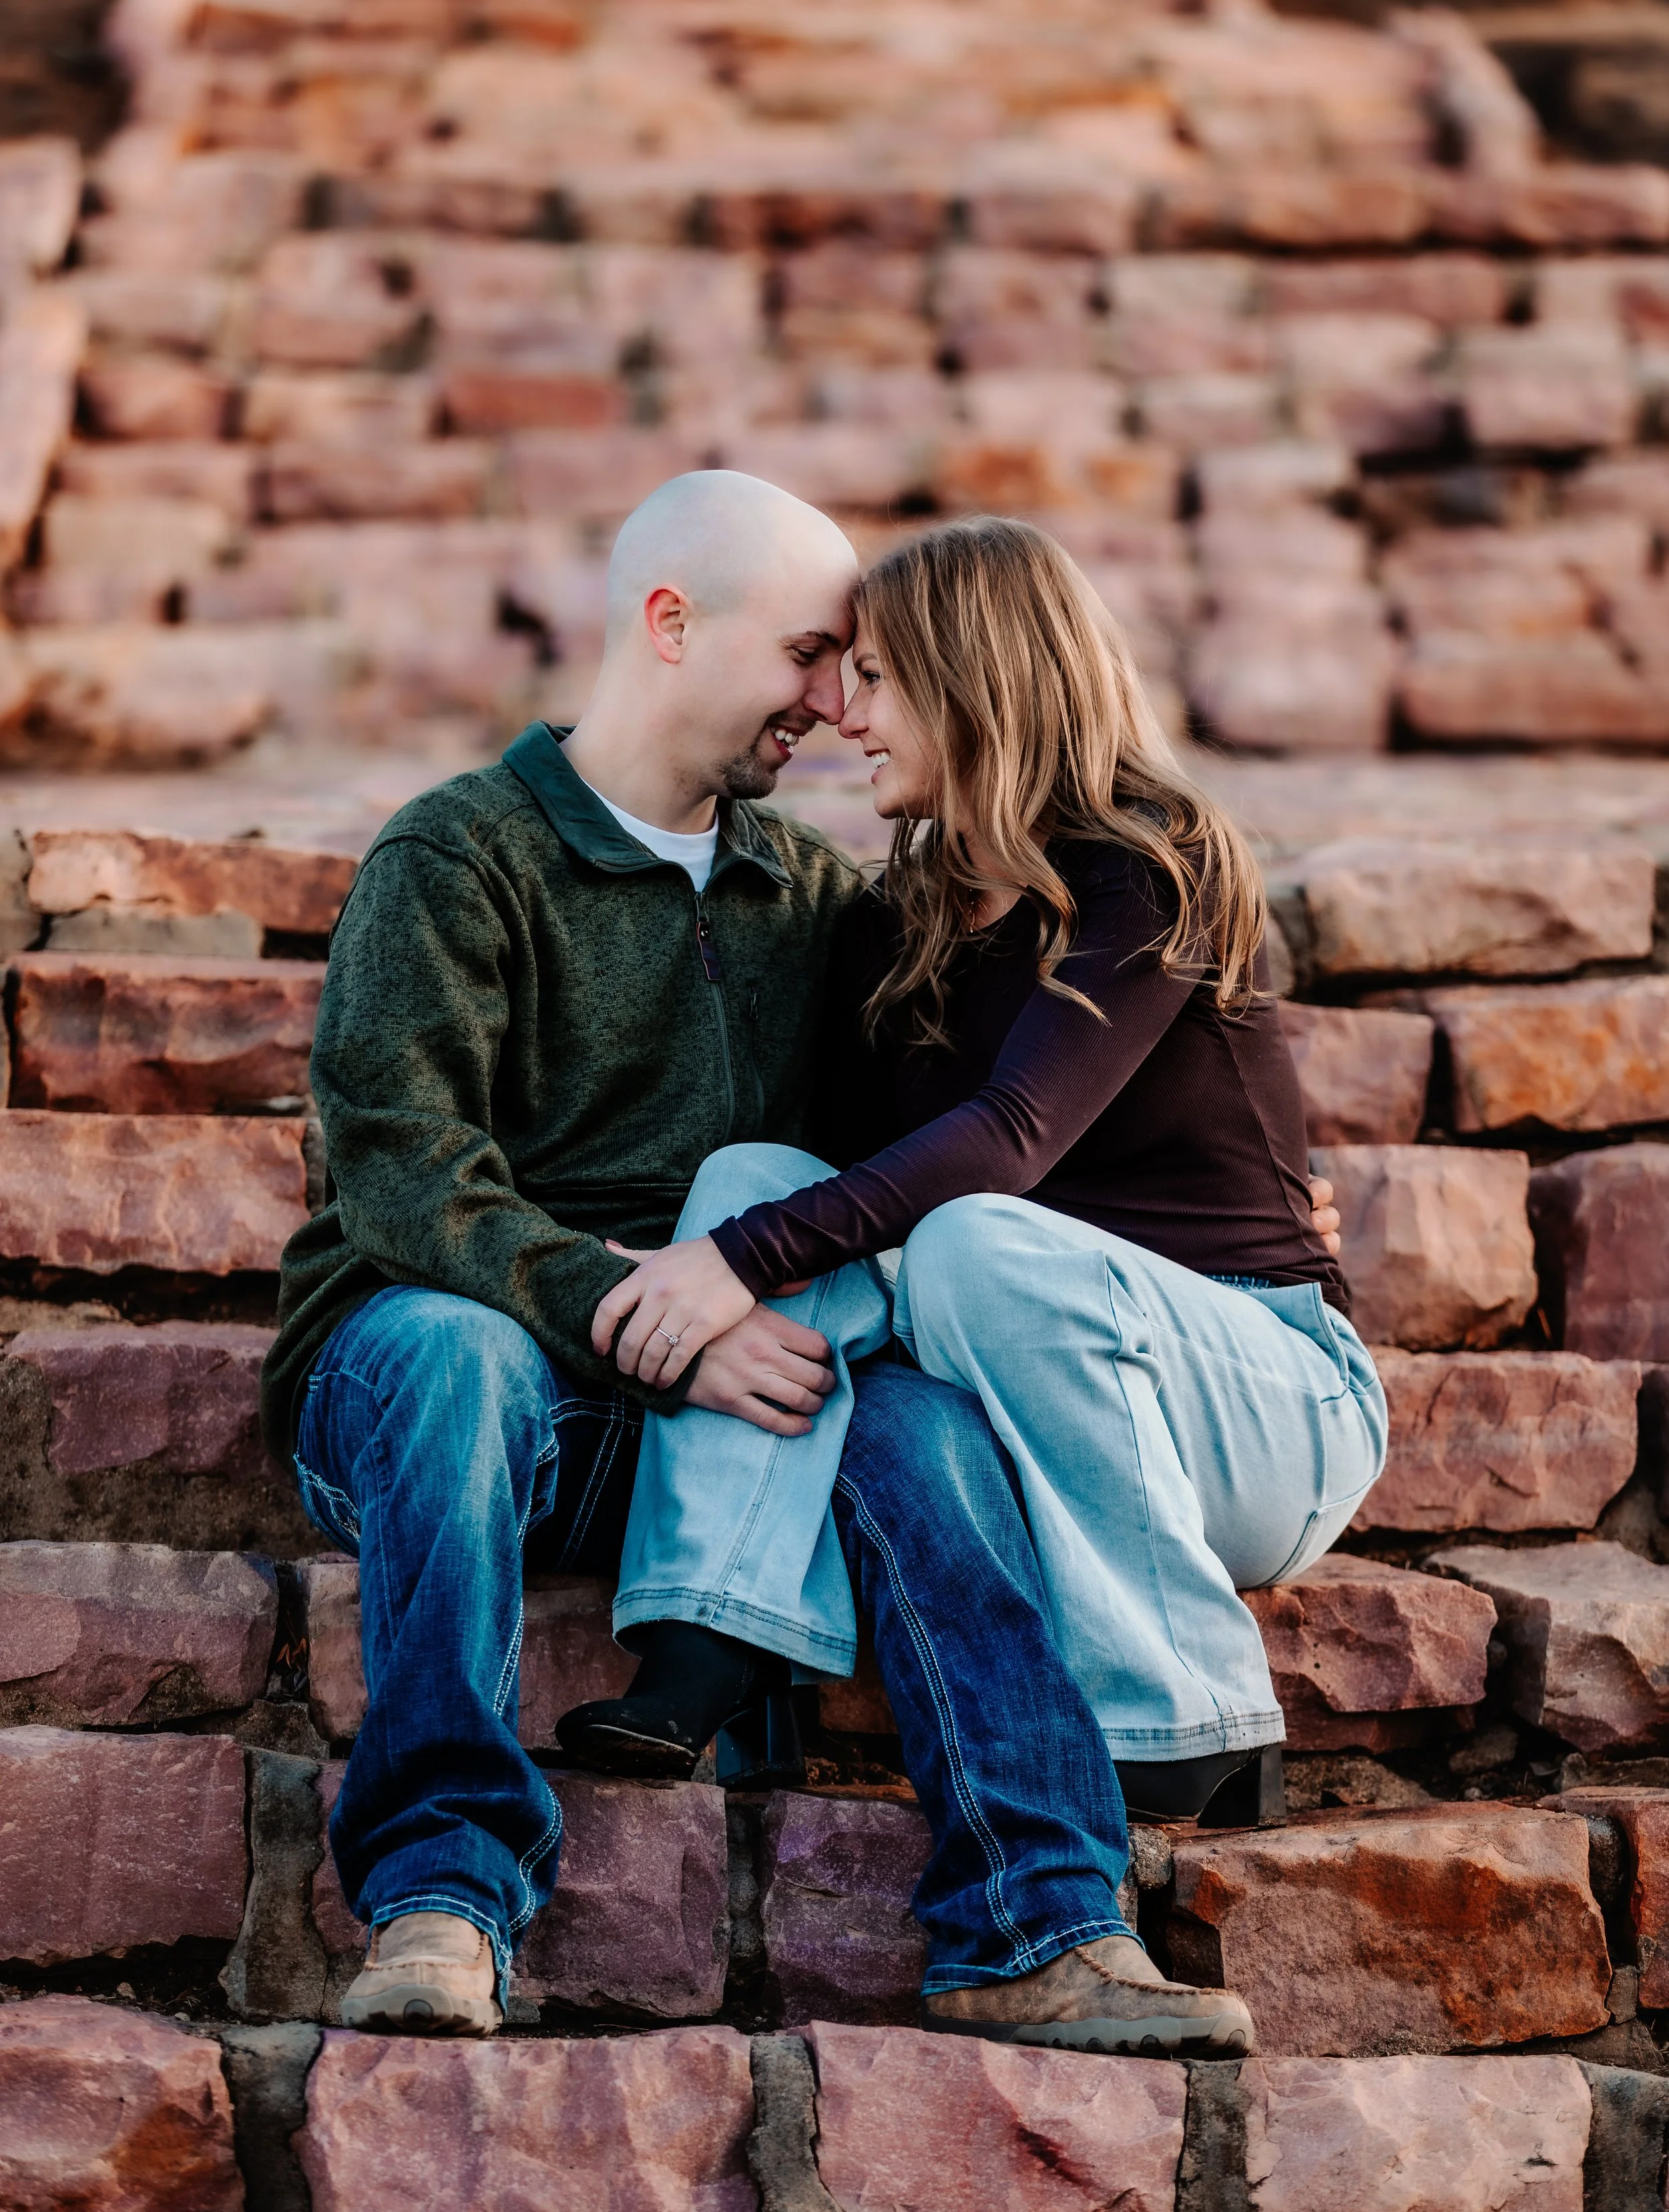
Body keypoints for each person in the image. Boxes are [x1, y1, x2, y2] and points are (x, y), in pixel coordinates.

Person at [264, 471, 1334, 2058]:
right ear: (671, 625)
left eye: (858, 669)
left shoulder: (827, 903)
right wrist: (648, 1315)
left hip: (718, 1401)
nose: (831, 706)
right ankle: (440, 1893)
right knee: (446, 1351)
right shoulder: (458, 857)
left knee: (918, 1422)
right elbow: (405, 1179)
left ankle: (1043, 1922)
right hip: (465, 1371)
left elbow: (921, 1164)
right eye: (808, 655)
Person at [561, 516, 1387, 1918]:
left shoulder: (1150, 862)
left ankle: (1189, 1714)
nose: (840, 713)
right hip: (1044, 1387)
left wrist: (731, 1272)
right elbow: (819, 1186)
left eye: (875, 678)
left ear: (975, 677)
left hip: (1263, 1405)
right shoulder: (902, 926)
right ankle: (712, 1631)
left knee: (962, 1232)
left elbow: (1007, 1142)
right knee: (756, 1181)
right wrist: (699, 1252)